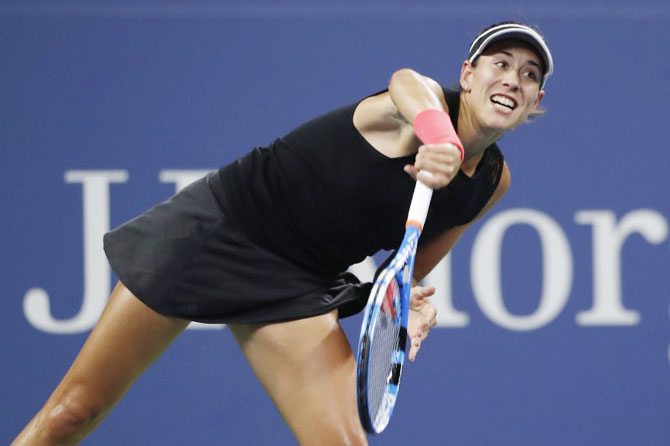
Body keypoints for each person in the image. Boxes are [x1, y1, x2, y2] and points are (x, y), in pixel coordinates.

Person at [13, 21, 553, 446]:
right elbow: (406, 83)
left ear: (535, 105)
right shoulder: (418, 102)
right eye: (499, 64)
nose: (511, 78)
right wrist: (440, 141)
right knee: (71, 414)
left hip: (297, 282)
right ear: (467, 73)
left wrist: (405, 305)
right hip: (219, 229)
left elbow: (403, 270)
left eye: (529, 76)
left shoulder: (492, 182)